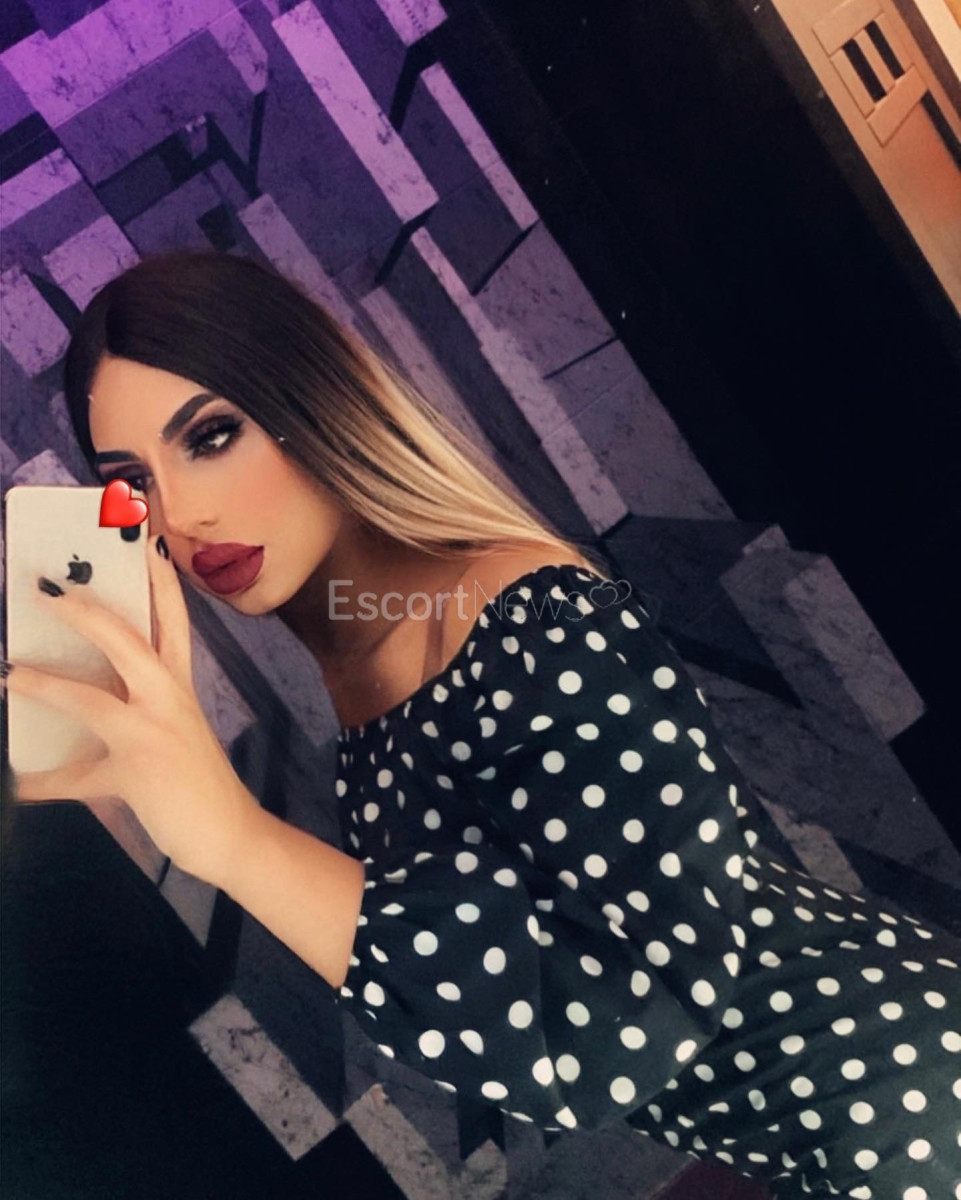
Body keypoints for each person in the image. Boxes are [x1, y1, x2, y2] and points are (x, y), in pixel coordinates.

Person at [4, 249, 960, 1198]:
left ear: (313, 399)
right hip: (820, 1131)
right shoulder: (365, 659)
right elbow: (497, 977)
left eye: (212, 435)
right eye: (133, 484)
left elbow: (607, 1036)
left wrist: (232, 839)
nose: (179, 514)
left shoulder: (528, 612)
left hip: (907, 1103)